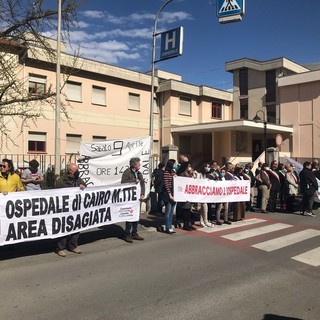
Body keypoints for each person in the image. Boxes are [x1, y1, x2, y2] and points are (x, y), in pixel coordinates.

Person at [55, 163, 86, 257]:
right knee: (64, 228)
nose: (77, 172)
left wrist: (82, 185)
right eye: (75, 171)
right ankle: (60, 248)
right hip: (65, 208)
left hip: (76, 208)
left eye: (78, 170)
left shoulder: (78, 179)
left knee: (76, 227)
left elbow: (84, 185)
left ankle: (73, 246)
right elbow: (55, 193)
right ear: (70, 171)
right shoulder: (61, 181)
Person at [121, 157, 145, 242]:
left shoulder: (139, 173)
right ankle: (127, 234)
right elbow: (123, 183)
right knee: (130, 215)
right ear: (134, 165)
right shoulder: (127, 172)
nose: (140, 165)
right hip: (130, 198)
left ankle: (134, 233)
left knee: (136, 216)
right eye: (138, 164)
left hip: (138, 198)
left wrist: (142, 194)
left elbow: (142, 184)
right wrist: (133, 181)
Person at [162, 159, 177, 234]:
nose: (175, 165)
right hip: (168, 195)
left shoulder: (173, 172)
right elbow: (166, 185)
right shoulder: (166, 173)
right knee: (168, 211)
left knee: (171, 212)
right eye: (174, 163)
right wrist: (170, 194)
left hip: (174, 193)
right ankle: (167, 227)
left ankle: (170, 226)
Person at [197, 163, 212, 227]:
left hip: (205, 193)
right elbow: (197, 183)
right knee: (204, 207)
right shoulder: (199, 174)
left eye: (208, 167)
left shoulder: (206, 174)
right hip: (200, 193)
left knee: (203, 208)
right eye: (207, 166)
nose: (208, 168)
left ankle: (202, 221)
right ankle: (205, 221)